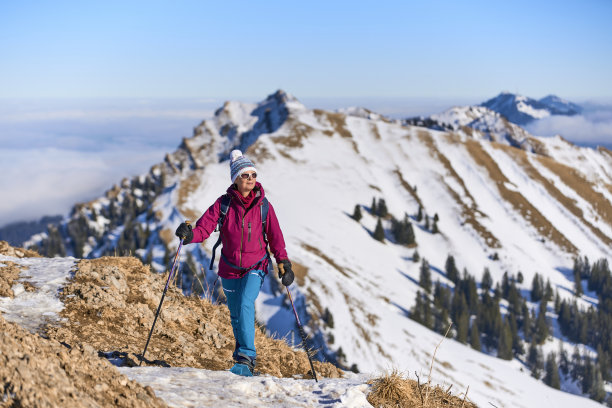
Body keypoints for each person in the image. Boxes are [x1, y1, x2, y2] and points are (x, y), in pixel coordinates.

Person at [175, 149, 294, 376]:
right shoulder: (224, 204)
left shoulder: (264, 206)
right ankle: (240, 355)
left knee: (246, 304)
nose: (250, 179)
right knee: (236, 314)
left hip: (256, 265)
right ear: (235, 179)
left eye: (253, 175)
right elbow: (204, 228)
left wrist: (284, 263)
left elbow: (276, 237)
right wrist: (189, 236)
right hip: (229, 269)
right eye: (245, 175)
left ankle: (247, 358)